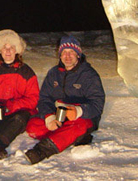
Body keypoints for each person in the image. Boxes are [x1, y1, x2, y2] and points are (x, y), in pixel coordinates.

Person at [24, 36, 105, 164]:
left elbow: (97, 104)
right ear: (60, 56)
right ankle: (72, 136)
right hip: (60, 115)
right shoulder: (54, 73)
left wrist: (78, 111)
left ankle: (42, 150)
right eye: (64, 53)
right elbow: (44, 98)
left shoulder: (89, 75)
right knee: (33, 126)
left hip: (83, 117)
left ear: (78, 54)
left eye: (71, 52)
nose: (67, 56)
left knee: (79, 125)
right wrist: (49, 117)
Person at [0, 29, 40, 163]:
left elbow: (33, 99)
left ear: (17, 50)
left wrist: (12, 105)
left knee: (19, 118)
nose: (8, 51)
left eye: (11, 48)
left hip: (17, 112)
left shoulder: (26, 72)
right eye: (5, 48)